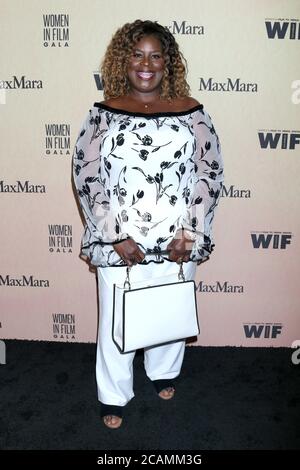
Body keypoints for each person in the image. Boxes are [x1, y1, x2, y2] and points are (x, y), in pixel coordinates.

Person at [72, 19, 224, 429]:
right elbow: (87, 174)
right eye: (137, 54)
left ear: (167, 63)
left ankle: (164, 373)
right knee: (116, 320)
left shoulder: (192, 111)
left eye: (156, 55)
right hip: (121, 241)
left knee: (169, 312)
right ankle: (114, 393)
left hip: (178, 239)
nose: (146, 64)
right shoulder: (102, 114)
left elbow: (209, 171)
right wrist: (115, 234)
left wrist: (190, 231)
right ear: (124, 61)